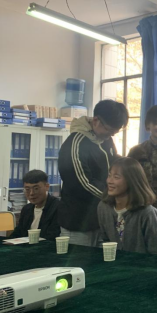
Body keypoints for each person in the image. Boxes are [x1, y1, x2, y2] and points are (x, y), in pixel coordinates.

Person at [58, 99, 129, 247]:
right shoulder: (75, 144)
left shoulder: (105, 139)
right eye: (109, 129)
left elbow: (112, 163)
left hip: (101, 219)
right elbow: (83, 183)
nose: (112, 134)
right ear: (96, 120)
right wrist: (114, 195)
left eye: (115, 131)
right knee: (79, 261)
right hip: (79, 222)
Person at [98, 158, 157, 255]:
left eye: (116, 177)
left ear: (131, 180)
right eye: (109, 175)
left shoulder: (148, 213)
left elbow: (156, 253)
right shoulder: (103, 207)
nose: (109, 181)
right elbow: (104, 241)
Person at [10, 170, 61, 240]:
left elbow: (52, 236)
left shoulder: (58, 208)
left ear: (47, 186)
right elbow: (18, 233)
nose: (31, 193)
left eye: (36, 189)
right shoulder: (26, 209)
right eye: (27, 189)